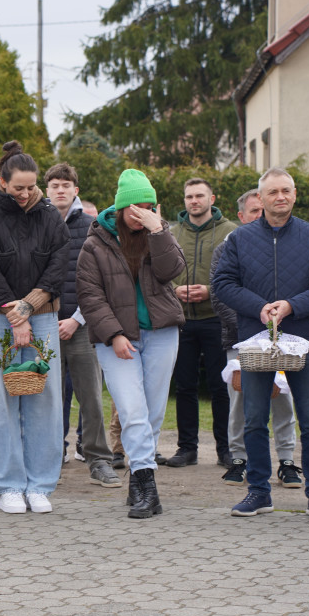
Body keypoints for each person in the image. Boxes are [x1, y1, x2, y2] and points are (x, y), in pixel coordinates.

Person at [212, 167, 309, 521]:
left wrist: (291, 305)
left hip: (304, 342)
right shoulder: (239, 240)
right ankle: (258, 492)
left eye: (286, 190)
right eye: (273, 192)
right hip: (255, 342)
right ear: (261, 198)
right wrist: (259, 307)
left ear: (295, 194)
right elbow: (222, 284)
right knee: (254, 419)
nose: (280, 197)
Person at [77, 169, 185, 519]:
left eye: (149, 206)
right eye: (135, 207)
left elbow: (173, 271)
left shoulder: (159, 233)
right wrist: (115, 334)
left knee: (151, 414)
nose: (142, 212)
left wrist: (158, 230)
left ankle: (139, 482)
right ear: (121, 208)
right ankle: (148, 488)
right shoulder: (95, 243)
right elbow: (90, 297)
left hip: (162, 333)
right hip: (116, 339)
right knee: (132, 411)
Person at [0, 141, 68, 514]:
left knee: (44, 401)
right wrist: (15, 314)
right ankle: (9, 486)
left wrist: (30, 307)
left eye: (30, 187)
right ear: (3, 182)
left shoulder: (49, 215)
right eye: (17, 188)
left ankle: (40, 485)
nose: (25, 195)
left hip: (41, 316)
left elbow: (59, 263)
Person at [211, 190, 300, 488]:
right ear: (241, 216)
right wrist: (255, 329)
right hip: (241, 339)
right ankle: (239, 458)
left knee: (284, 399)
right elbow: (220, 295)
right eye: (253, 211)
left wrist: (277, 330)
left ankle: (286, 460)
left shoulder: (289, 245)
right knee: (240, 401)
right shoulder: (227, 248)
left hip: (284, 338)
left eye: (263, 211)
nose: (260, 216)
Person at [45, 163, 119, 488]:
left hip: (82, 327)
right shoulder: (37, 225)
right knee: (46, 398)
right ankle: (48, 461)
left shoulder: (93, 227)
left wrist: (75, 321)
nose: (60, 190)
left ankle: (99, 461)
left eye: (66, 185)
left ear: (76, 190)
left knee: (90, 397)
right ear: (46, 190)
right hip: (42, 326)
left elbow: (100, 282)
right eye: (54, 185)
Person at [167, 178, 235, 469]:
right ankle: (187, 448)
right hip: (181, 320)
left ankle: (226, 449)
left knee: (222, 387)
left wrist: (211, 290)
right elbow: (159, 272)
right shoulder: (171, 233)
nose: (194, 201)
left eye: (199, 196)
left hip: (216, 318)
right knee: (185, 386)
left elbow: (236, 273)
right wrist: (174, 290)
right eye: (189, 196)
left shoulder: (231, 232)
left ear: (212, 198)